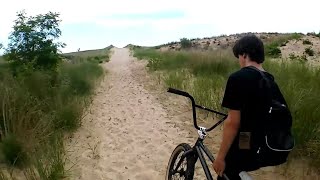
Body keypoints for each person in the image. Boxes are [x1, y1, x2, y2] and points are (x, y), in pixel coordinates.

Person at [213, 34, 275, 179]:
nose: (239, 61)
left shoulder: (238, 78)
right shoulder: (270, 79)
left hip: (246, 140)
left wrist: (220, 157)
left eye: (239, 57)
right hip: (265, 143)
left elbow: (233, 122)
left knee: (226, 170)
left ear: (245, 54)